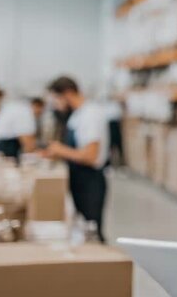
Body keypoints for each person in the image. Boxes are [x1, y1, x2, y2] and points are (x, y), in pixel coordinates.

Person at [43, 76, 109, 242]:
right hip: (79, 178)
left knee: (92, 232)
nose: (56, 105)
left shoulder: (90, 114)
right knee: (82, 229)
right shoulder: (78, 115)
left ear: (67, 93)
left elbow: (90, 155)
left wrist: (61, 150)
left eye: (56, 99)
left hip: (90, 181)